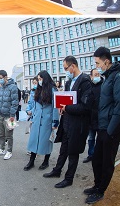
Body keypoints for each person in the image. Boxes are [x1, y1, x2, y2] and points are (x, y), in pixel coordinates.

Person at [85, 47, 120, 205]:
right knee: (97, 160)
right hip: (103, 127)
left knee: (106, 162)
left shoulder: (118, 78)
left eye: (98, 63)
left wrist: (110, 130)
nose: (97, 66)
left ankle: (100, 191)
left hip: (112, 130)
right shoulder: (108, 77)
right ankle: (97, 185)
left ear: (106, 61)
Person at [45, 56, 93, 188]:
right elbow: (67, 100)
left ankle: (69, 178)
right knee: (63, 149)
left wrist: (67, 108)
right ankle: (57, 170)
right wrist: (62, 108)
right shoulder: (68, 82)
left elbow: (85, 107)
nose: (65, 71)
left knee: (73, 152)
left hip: (78, 124)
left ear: (73, 66)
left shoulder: (85, 82)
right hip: (66, 122)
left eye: (66, 68)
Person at [24, 71, 58, 171]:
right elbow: (34, 104)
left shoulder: (53, 90)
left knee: (47, 141)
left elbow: (55, 107)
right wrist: (31, 113)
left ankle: (46, 161)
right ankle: (31, 161)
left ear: (45, 79)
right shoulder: (37, 90)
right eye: (38, 79)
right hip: (37, 119)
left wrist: (55, 121)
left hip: (47, 120)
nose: (39, 81)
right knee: (34, 140)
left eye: (40, 79)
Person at [0, 70, 19, 160]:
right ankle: (1, 149)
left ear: (5, 77)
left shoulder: (13, 87)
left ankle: (9, 151)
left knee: (9, 135)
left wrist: (12, 115)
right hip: (0, 114)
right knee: (0, 134)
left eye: (0, 78)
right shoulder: (1, 88)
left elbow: (15, 103)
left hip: (9, 115)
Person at [84, 68, 103, 164]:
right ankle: (91, 155)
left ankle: (99, 156)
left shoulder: (104, 86)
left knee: (100, 139)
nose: (97, 77)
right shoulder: (88, 87)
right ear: (91, 76)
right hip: (90, 118)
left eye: (98, 75)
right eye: (95, 75)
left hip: (100, 118)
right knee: (91, 138)